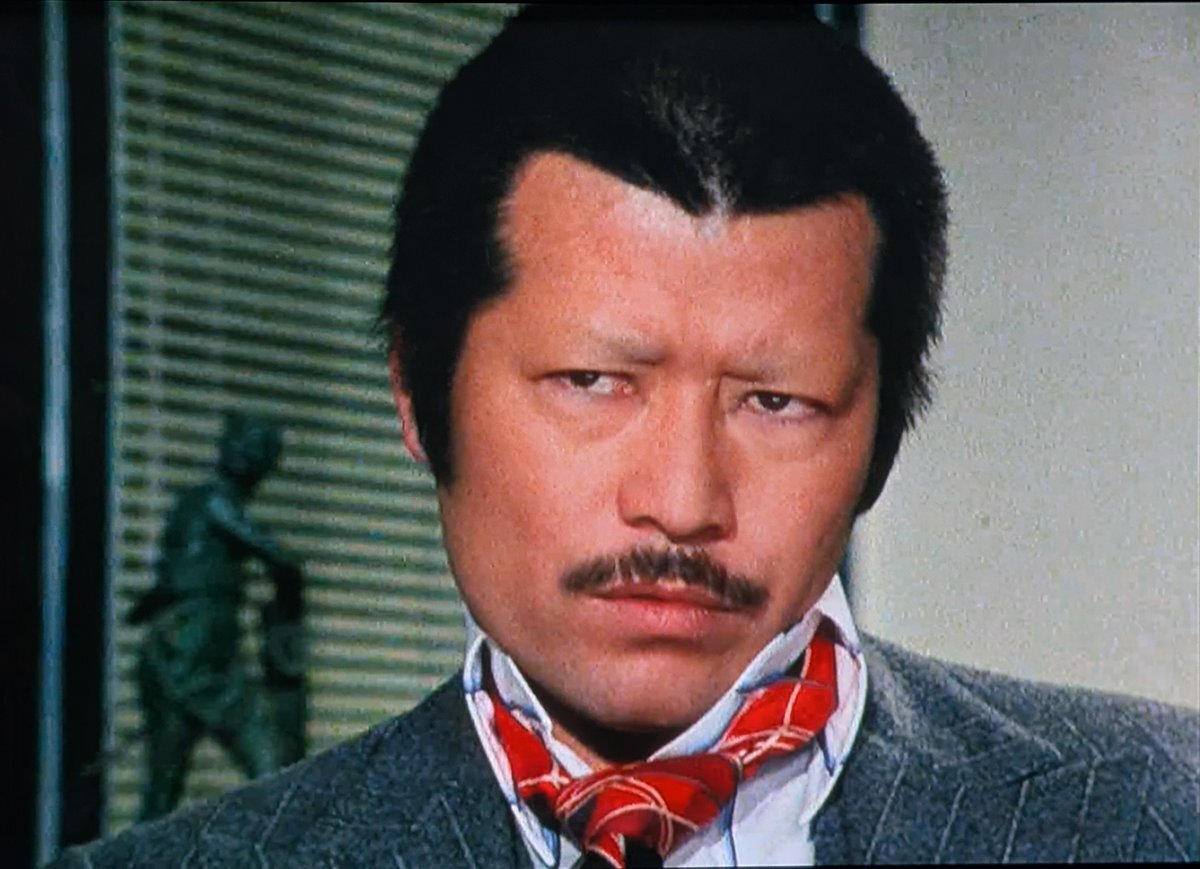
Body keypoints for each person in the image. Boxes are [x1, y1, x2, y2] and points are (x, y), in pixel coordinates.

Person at [52, 6, 1196, 867]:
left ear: (883, 436)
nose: (682, 500)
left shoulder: (1161, 815)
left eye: (776, 400)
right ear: (415, 389)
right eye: (593, 382)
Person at [124, 412, 305, 821]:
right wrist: (289, 587)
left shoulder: (204, 504)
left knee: (166, 784)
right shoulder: (212, 502)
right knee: (266, 762)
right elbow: (276, 557)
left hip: (193, 653)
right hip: (190, 656)